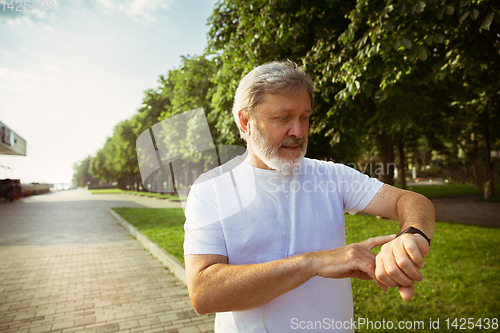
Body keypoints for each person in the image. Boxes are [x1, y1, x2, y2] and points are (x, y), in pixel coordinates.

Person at [183, 61, 435, 332]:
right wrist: (314, 262)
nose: (299, 132)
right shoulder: (211, 189)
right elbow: (203, 293)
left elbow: (411, 201)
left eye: (304, 117)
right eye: (284, 118)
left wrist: (412, 235)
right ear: (246, 121)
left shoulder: (332, 176)